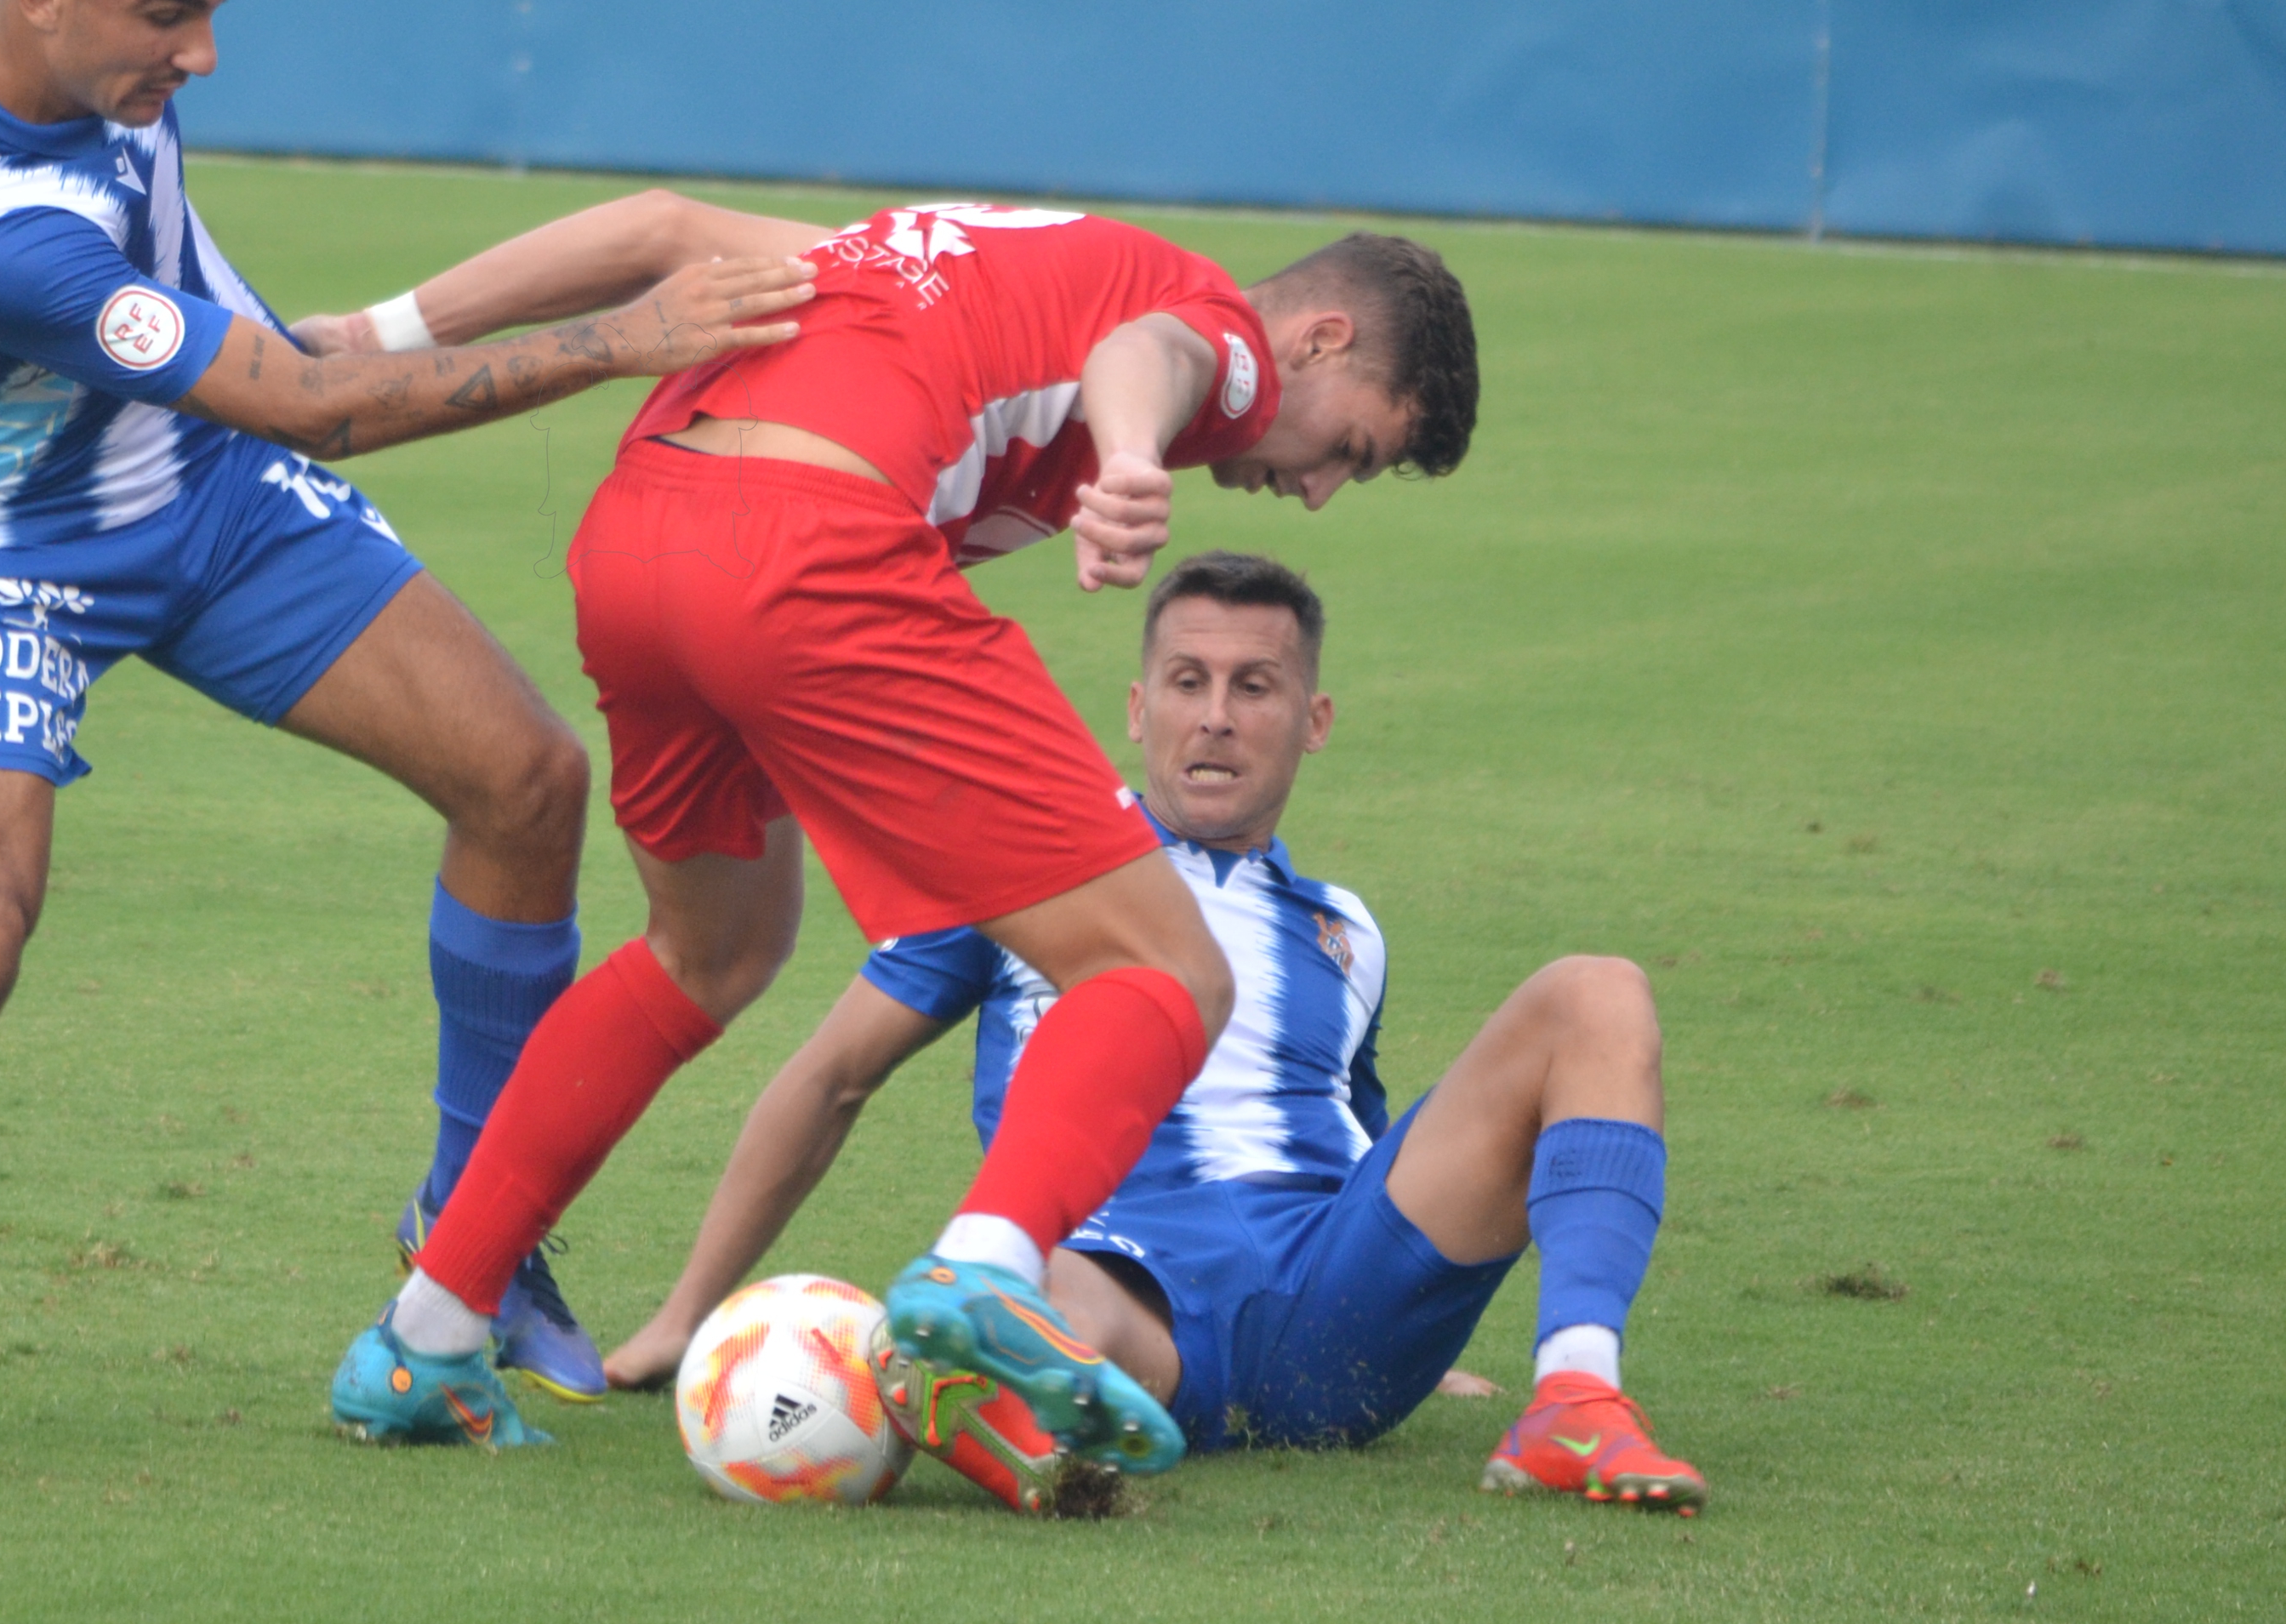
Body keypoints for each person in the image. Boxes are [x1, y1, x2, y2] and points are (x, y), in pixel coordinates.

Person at [0, 0, 812, 1486]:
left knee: (526, 782)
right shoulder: (2, 232)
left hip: (204, 491)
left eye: (213, 7)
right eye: (169, 14)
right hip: (5, 553)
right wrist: (626, 339)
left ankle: (469, 1242)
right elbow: (319, 411)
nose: (201, 54)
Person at [320, 192, 1479, 1468]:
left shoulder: (957, 251)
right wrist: (1137, 454)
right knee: (1163, 968)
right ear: (1318, 342)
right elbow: (1153, 356)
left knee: (710, 952)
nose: (1313, 492)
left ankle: (425, 1333)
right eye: (1352, 453)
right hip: (810, 548)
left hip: (639, 545)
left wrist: (378, 331)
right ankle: (986, 1270)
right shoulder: (1224, 338)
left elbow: (656, 228)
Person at [605, 550, 1704, 1515]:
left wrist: (1419, 1332)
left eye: (1254, 686)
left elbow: (1374, 1143)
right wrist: (685, 1313)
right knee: (1003, 1307)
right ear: (1140, 710)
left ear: (1313, 722)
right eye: (1189, 683)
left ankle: (1576, 1393)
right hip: (1130, 1283)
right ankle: (1013, 1408)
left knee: (1595, 991)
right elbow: (832, 1078)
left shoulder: (1345, 929)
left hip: (1332, 1289)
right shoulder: (1021, 877)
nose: (1216, 715)